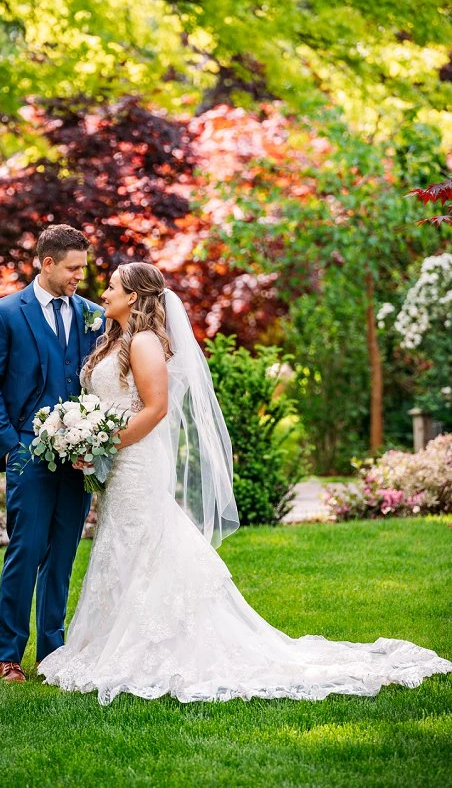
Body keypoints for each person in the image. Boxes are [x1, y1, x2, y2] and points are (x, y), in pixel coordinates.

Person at [38, 261, 452, 704]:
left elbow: (155, 408)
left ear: (134, 297)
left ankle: (158, 646)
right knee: (122, 542)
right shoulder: (115, 340)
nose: (104, 293)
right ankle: (111, 640)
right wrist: (84, 435)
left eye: (114, 287)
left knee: (146, 540)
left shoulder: (142, 342)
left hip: (136, 460)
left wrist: (105, 442)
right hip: (120, 464)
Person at [0, 225, 104, 683]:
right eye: (72, 269)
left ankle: (53, 650)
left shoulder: (94, 315)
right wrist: (10, 447)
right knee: (26, 550)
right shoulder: (4, 313)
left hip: (81, 451)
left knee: (64, 553)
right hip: (27, 449)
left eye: (83, 269)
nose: (79, 278)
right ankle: (9, 654)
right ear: (46, 264)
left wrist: (94, 439)